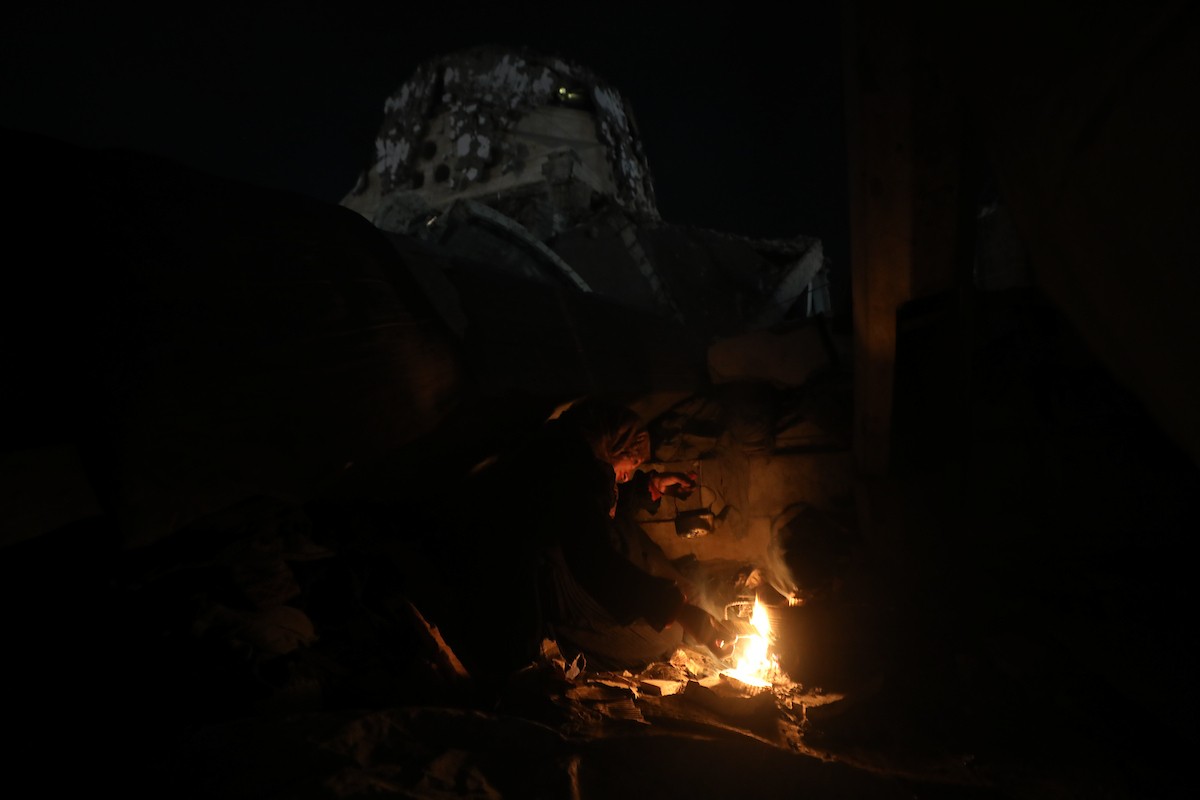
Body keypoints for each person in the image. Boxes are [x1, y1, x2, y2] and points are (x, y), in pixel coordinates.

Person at [429, 395, 733, 693]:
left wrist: (652, 486)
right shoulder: (576, 473)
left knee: (662, 597)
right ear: (614, 445)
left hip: (545, 568)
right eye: (633, 462)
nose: (629, 476)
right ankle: (559, 650)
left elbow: (599, 507)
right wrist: (675, 610)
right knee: (664, 639)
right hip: (525, 598)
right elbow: (594, 560)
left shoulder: (566, 447)